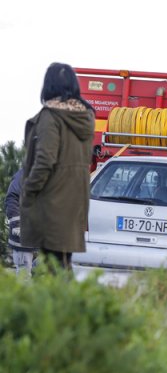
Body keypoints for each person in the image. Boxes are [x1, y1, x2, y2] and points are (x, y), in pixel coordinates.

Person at [21, 63, 95, 271]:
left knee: (52, 267)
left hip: (52, 202)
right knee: (62, 264)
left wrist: (29, 189)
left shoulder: (51, 116)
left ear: (48, 85)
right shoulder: (85, 117)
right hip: (75, 202)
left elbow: (45, 160)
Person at [4, 169, 36, 275]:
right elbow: (12, 199)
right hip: (22, 235)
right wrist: (17, 224)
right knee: (24, 274)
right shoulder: (23, 175)